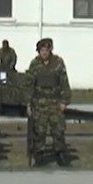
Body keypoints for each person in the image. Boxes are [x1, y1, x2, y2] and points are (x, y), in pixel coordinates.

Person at [27, 38, 71, 166]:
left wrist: (64, 101)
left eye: (47, 50)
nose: (44, 53)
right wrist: (28, 104)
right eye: (42, 50)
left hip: (55, 102)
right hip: (39, 103)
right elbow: (29, 85)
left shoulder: (58, 62)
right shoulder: (34, 64)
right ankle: (39, 155)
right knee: (39, 131)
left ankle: (60, 154)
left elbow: (64, 82)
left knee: (58, 131)